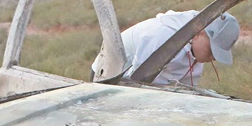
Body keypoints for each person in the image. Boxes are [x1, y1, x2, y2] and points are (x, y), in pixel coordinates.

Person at [93, 10, 239, 86]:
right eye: (212, 50)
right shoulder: (163, 36)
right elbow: (137, 82)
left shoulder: (193, 49)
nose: (213, 57)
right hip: (108, 77)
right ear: (200, 32)